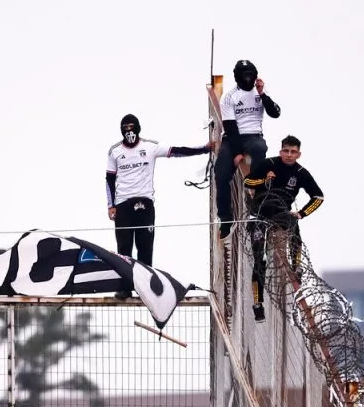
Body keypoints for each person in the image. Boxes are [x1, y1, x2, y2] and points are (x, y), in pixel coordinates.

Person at [105, 114, 212, 297]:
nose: (129, 132)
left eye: (132, 127)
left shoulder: (150, 146)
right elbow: (109, 179)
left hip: (144, 202)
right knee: (124, 248)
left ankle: (145, 288)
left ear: (138, 128)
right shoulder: (114, 151)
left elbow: (176, 151)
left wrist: (203, 149)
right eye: (125, 128)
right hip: (122, 204)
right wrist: (111, 205)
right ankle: (125, 287)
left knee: (145, 247)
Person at [242, 135, 324, 322]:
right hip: (260, 214)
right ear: (280, 151)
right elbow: (247, 182)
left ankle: (297, 269)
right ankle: (257, 304)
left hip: (281, 214)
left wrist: (302, 213)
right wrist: (264, 179)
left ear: (298, 154)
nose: (289, 155)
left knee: (295, 232)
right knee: (259, 259)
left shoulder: (301, 173)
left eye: (293, 152)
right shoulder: (268, 163)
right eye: (286, 151)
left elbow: (318, 197)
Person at [215, 60, 282, 237]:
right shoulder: (230, 97)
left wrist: (263, 94)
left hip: (254, 135)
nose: (248, 78)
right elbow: (229, 126)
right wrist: (237, 153)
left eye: (250, 75)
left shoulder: (260, 92)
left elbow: (275, 113)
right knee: (220, 173)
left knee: (260, 147)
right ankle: (225, 219)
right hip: (233, 137)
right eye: (244, 75)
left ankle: (257, 199)